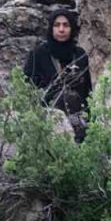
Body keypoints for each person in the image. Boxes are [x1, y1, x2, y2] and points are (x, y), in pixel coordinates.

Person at [22, 8, 93, 143]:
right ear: (51, 28)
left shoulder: (80, 55)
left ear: (72, 28)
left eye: (66, 25)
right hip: (48, 120)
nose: (61, 29)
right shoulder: (38, 54)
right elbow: (27, 89)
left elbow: (88, 93)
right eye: (57, 25)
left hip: (78, 119)